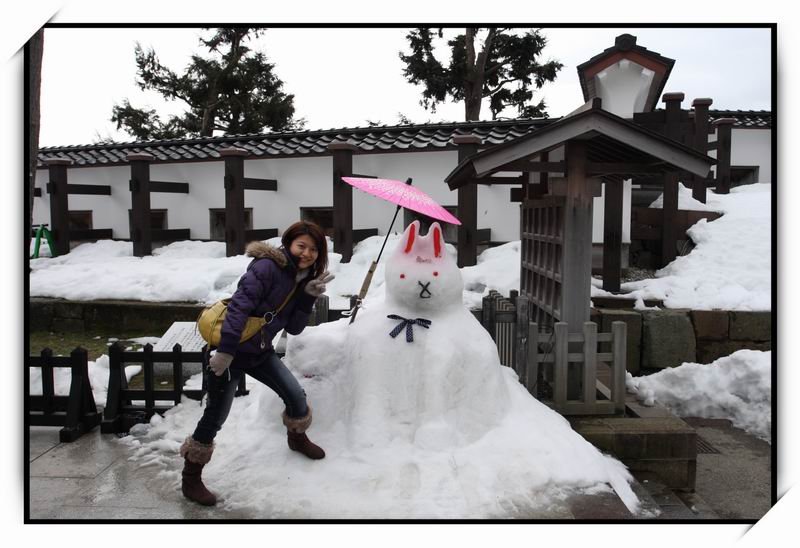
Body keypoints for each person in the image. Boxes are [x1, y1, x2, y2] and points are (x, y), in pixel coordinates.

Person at [180, 221, 335, 506]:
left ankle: (296, 438)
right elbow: (239, 307)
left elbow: (296, 328)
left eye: (314, 249)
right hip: (231, 351)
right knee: (216, 416)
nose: (307, 253)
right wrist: (225, 352)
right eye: (302, 246)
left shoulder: (303, 278)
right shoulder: (266, 267)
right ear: (288, 243)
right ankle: (191, 477)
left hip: (260, 352)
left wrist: (306, 298)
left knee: (295, 396)